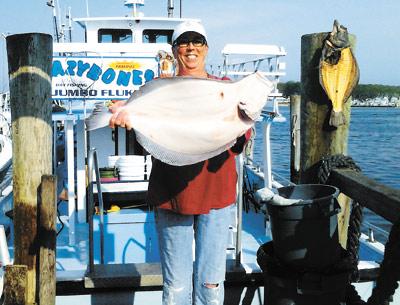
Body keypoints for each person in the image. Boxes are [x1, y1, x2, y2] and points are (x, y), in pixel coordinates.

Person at [109, 20, 250, 305]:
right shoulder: (157, 88)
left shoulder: (225, 89)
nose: (191, 47)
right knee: (175, 288)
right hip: (171, 194)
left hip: (216, 197)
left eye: (197, 40)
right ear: (174, 50)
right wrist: (126, 120)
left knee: (211, 285)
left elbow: (239, 139)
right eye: (184, 42)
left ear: (206, 48)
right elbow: (144, 145)